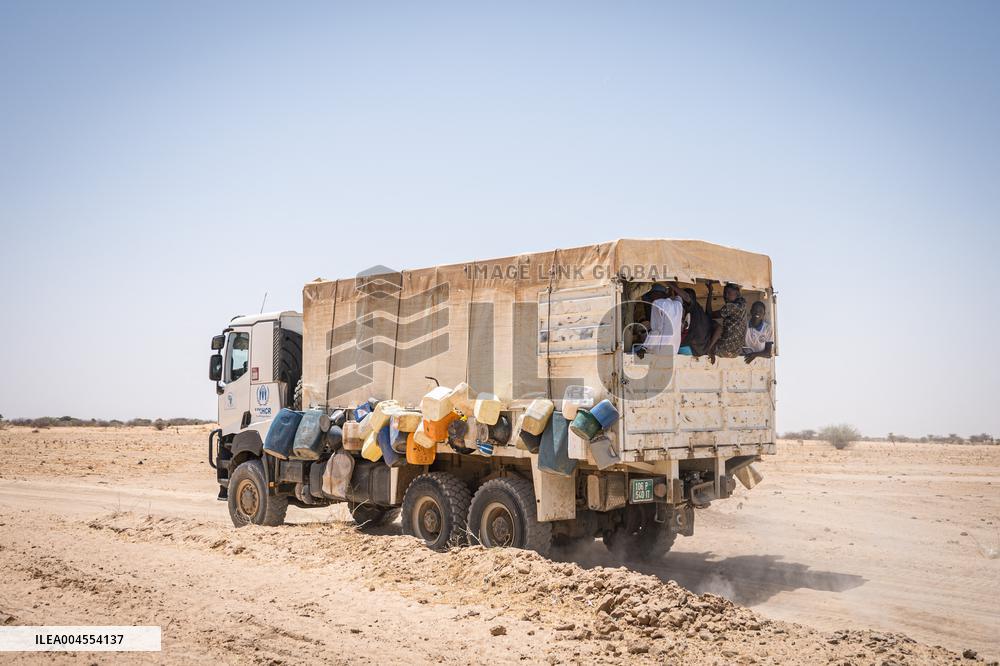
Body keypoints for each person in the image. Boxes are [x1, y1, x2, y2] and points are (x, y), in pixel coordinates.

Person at [706, 283, 749, 362]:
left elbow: (709, 314)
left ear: (737, 293)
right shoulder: (743, 304)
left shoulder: (730, 307)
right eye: (724, 293)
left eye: (729, 293)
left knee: (713, 324)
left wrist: (710, 292)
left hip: (723, 349)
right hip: (736, 352)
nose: (725, 296)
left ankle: (709, 349)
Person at [637, 283, 683, 355]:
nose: (650, 298)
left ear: (653, 294)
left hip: (662, 350)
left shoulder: (657, 304)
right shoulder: (678, 304)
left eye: (650, 295)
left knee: (635, 350)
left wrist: (645, 348)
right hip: (674, 350)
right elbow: (679, 297)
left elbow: (656, 330)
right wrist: (672, 286)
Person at [678, 284, 714, 357]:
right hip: (701, 351)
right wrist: (710, 292)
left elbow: (687, 298)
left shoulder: (693, 307)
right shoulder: (700, 313)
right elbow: (709, 311)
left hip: (689, 348)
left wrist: (671, 284)